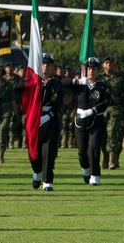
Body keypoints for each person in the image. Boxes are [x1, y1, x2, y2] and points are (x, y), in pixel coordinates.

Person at [65, 56, 112, 185]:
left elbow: (106, 102)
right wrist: (77, 82)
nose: (91, 71)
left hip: (96, 120)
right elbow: (63, 82)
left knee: (94, 147)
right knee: (82, 152)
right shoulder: (81, 84)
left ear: (98, 71)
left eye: (94, 69)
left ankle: (95, 175)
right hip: (80, 121)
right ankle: (85, 170)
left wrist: (93, 110)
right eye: (89, 69)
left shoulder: (102, 86)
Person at [30, 53, 64, 191]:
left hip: (51, 119)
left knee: (49, 150)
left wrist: (48, 115)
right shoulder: (33, 81)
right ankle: (37, 172)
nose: (45, 67)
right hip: (35, 119)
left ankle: (47, 181)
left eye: (48, 65)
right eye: (43, 64)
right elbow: (18, 89)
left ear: (52, 67)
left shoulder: (56, 83)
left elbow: (58, 104)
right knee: (34, 152)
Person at [101, 56, 124, 170]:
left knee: (113, 135)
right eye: (106, 63)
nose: (109, 65)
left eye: (111, 63)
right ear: (103, 65)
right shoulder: (99, 78)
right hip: (101, 110)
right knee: (103, 137)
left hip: (115, 110)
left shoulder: (120, 78)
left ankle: (112, 161)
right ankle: (105, 159)